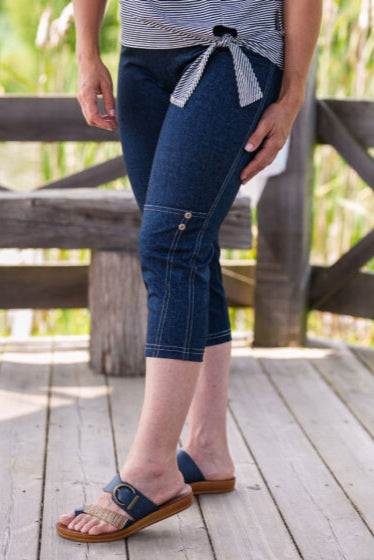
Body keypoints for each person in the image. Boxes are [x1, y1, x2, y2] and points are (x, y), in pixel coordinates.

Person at [56, 0, 322, 543]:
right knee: (191, 243)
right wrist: (88, 52)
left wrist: (291, 95)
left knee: (171, 245)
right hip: (140, 56)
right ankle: (206, 448)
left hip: (232, 54)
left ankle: (153, 468)